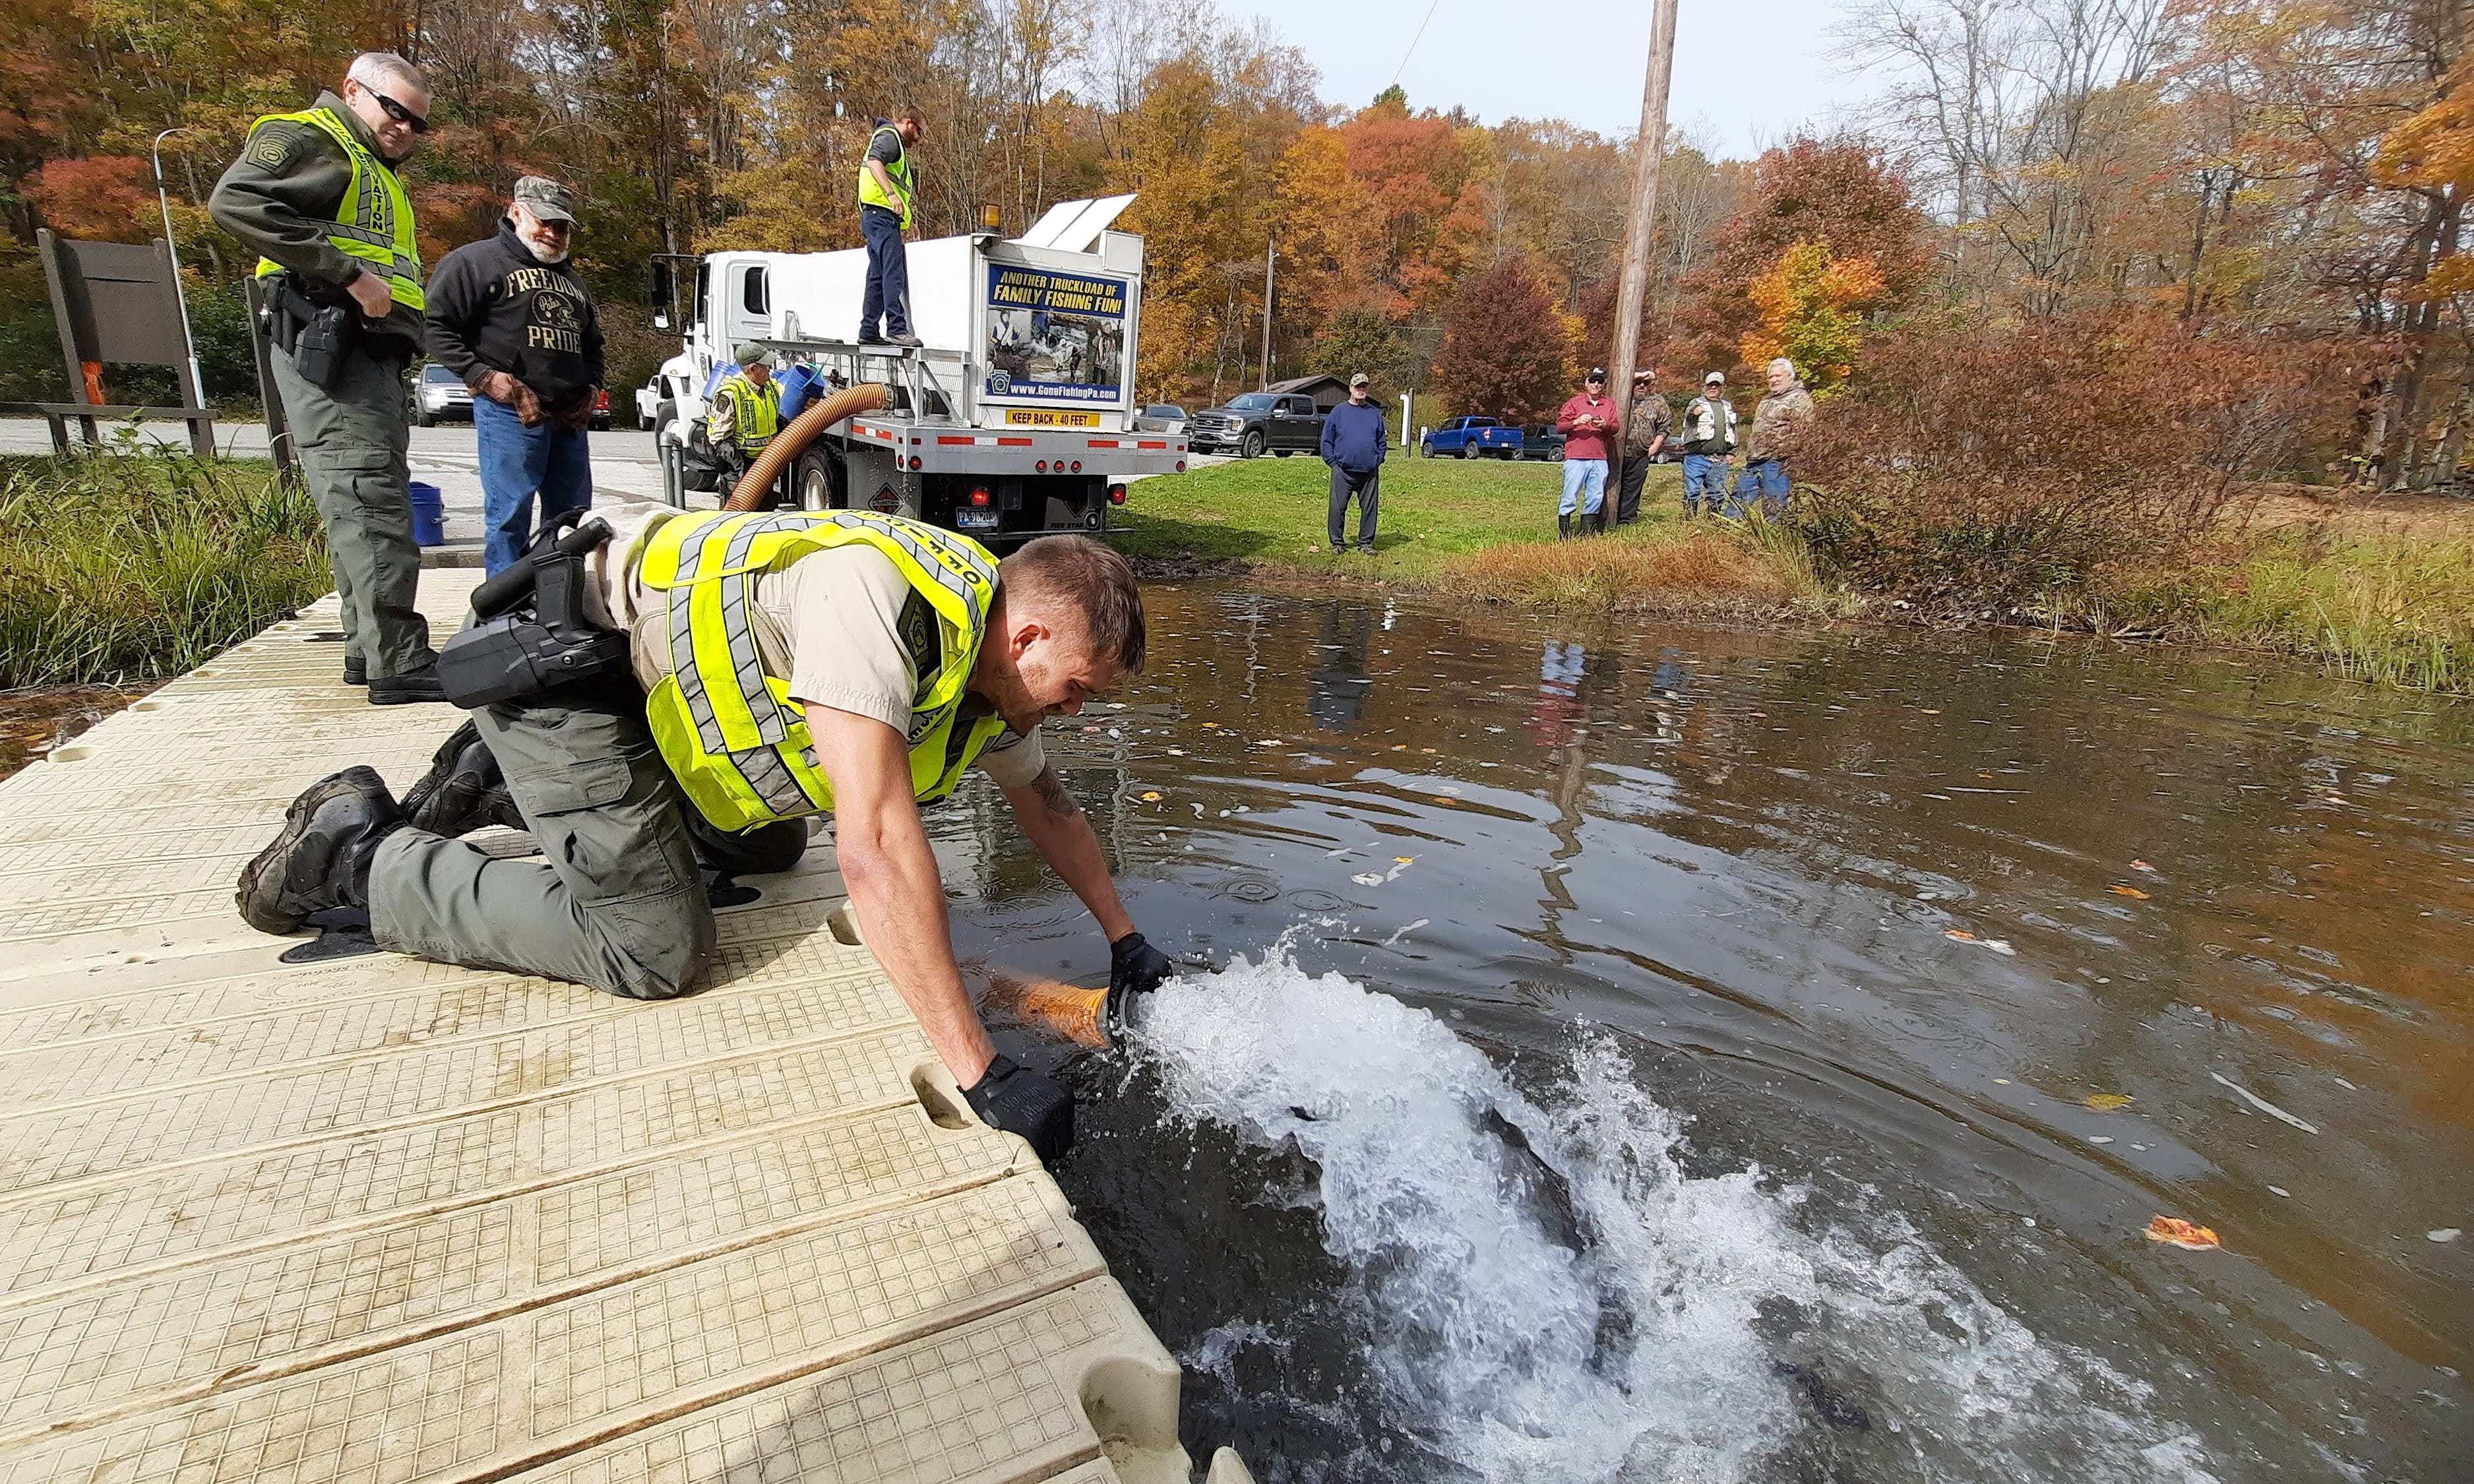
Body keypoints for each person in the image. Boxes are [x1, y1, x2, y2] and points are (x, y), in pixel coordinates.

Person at [235, 509, 1176, 1165]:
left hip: (644, 694)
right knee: (653, 944)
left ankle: (510, 789)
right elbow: (875, 848)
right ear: (1028, 638)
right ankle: (361, 852)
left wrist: (1124, 940)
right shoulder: (878, 601)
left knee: (767, 843)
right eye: (1079, 685)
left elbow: (1049, 806)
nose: (1077, 709)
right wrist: (982, 1072)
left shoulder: (990, 677)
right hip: (567, 671)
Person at [210, 51, 441, 704]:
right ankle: (397, 660)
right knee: (371, 498)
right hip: (337, 350)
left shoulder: (371, 167)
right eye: (395, 112)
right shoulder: (315, 137)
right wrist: (349, 275)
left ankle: (368, 650)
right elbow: (235, 201)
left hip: (363, 353)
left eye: (417, 124)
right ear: (353, 91)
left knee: (356, 499)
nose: (405, 130)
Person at [426, 177, 604, 576]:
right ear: (517, 212)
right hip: (511, 411)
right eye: (545, 222)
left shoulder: (571, 278)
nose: (554, 233)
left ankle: (563, 603)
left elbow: (593, 342)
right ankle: (504, 612)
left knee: (573, 520)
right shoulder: (473, 262)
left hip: (569, 414)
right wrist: (483, 376)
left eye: (562, 227)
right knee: (509, 516)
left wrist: (594, 385)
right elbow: (435, 327)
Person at [857, 109, 925, 348]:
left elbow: (900, 192)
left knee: (877, 276)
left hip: (878, 216)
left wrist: (909, 219)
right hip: (881, 215)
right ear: (908, 123)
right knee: (893, 273)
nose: (919, 139)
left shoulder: (892, 142)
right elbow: (875, 162)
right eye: (919, 132)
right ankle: (897, 329)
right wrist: (890, 194)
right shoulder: (890, 138)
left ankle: (868, 330)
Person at [1737, 357, 1816, 515]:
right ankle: (1725, 535)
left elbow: (1804, 432)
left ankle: (1773, 537)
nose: (1773, 380)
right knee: (1738, 500)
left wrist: (1783, 454)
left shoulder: (1799, 398)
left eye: (1778, 376)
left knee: (1774, 506)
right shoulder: (1767, 399)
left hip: (1777, 463)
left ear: (1790, 376)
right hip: (1755, 461)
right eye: (1771, 377)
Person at [1320, 371, 1388, 553]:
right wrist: (1333, 463)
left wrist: (1378, 460)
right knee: (1337, 508)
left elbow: (1382, 440)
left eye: (1364, 386)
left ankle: (1365, 543)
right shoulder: (1339, 412)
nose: (1361, 389)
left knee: (1370, 509)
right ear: (1351, 388)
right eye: (1358, 386)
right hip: (1343, 470)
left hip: (1369, 472)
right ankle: (1337, 543)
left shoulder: (1374, 413)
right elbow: (1327, 441)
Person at [708, 344, 781, 499]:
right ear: (752, 369)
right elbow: (720, 439)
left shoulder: (769, 388)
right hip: (739, 466)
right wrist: (740, 468)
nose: (770, 369)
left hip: (765, 463)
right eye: (766, 366)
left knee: (765, 510)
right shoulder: (730, 393)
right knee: (739, 514)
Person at [1553, 368, 1619, 538]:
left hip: (1599, 457)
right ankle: (1565, 535)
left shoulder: (1609, 404)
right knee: (1570, 494)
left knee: (1596, 496)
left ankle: (1587, 534)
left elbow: (1615, 428)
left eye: (1600, 381)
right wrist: (1576, 421)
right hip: (1576, 457)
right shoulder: (1575, 403)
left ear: (1604, 384)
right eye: (1593, 381)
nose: (1596, 384)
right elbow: (1560, 426)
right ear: (1586, 383)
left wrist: (1604, 425)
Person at [1678, 371, 1739, 517]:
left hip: (1720, 459)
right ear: (1704, 386)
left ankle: (1713, 521)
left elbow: (1733, 430)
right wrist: (1695, 412)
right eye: (1710, 385)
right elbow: (1689, 414)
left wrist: (1732, 452)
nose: (1713, 388)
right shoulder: (1696, 403)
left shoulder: (1728, 406)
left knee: (1717, 494)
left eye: (1716, 385)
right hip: (1696, 457)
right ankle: (1689, 520)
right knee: (1692, 491)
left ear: (1722, 388)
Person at [1615, 367, 1670, 526]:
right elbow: (1614, 376)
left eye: (1645, 383)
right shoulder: (1620, 397)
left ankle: (1626, 520)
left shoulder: (1657, 401)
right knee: (1612, 486)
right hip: (1616, 452)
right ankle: (1608, 516)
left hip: (1641, 453)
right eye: (1638, 382)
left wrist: (1655, 446)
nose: (1641, 386)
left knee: (1632, 488)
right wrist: (1639, 375)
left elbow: (1665, 426)